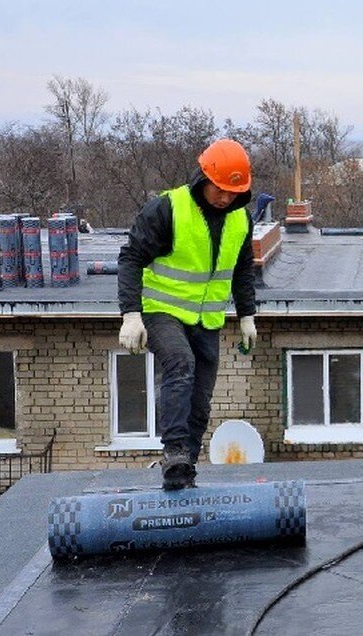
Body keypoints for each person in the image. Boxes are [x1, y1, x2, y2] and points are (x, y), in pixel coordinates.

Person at [117, 138, 258, 490]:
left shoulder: (240, 220)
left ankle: (184, 470)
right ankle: (175, 451)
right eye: (220, 189)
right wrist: (131, 314)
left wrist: (246, 315)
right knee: (180, 365)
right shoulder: (167, 209)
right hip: (162, 311)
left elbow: (242, 270)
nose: (225, 198)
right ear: (203, 177)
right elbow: (131, 258)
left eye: (233, 192)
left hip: (207, 319)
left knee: (200, 399)